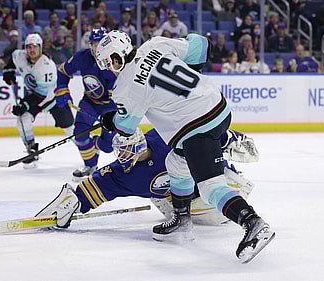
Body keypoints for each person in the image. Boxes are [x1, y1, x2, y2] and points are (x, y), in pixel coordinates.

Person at [94, 30, 275, 263]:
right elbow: (201, 45)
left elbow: (126, 128)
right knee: (176, 163)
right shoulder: (155, 44)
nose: (109, 67)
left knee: (210, 187)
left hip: (195, 127)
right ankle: (182, 219)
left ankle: (253, 223)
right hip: (217, 106)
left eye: (109, 62)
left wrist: (109, 120)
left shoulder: (124, 88)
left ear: (116, 57)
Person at [36, 127, 259, 229]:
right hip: (174, 201)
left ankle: (239, 210)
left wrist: (229, 139)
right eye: (119, 152)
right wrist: (72, 205)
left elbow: (201, 132)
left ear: (139, 145)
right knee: (185, 212)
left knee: (223, 190)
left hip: (210, 182)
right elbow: (93, 189)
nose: (122, 157)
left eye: (125, 151)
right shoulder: (122, 174)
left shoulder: (166, 137)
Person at [2, 33, 74, 169]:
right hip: (36, 96)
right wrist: (9, 70)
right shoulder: (20, 55)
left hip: (52, 98)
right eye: (28, 47)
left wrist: (25, 104)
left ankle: (90, 147)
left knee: (71, 131)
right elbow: (13, 59)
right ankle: (32, 151)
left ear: (40, 48)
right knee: (22, 120)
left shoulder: (46, 66)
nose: (31, 49)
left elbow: (42, 94)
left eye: (35, 46)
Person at [54, 27, 117, 180]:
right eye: (94, 44)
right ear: (90, 45)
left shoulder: (115, 62)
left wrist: (117, 112)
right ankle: (90, 165)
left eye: (101, 43)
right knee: (79, 135)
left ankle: (97, 144)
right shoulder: (82, 57)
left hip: (111, 106)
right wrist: (62, 90)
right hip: (90, 102)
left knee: (108, 147)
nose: (97, 48)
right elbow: (63, 71)